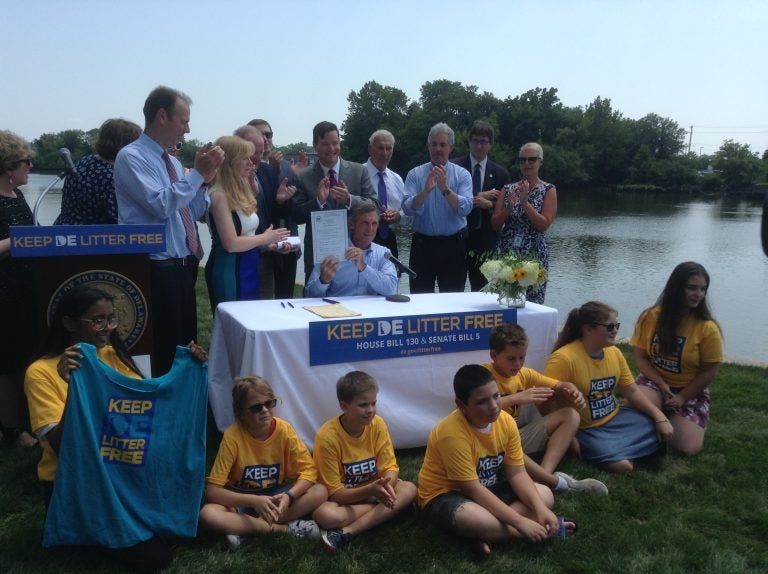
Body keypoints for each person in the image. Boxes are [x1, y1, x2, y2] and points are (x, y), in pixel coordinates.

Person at [24, 285, 207, 572]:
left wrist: (189, 370)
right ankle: (89, 533)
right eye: (97, 320)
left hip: (123, 468)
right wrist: (76, 390)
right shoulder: (41, 372)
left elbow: (143, 409)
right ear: (69, 323)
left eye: (110, 319)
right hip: (78, 480)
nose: (107, 328)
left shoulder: (110, 354)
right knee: (155, 558)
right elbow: (63, 447)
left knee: (194, 510)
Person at [114, 85, 224, 375]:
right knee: (163, 351)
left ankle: (184, 406)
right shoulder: (132, 157)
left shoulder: (173, 161)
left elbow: (192, 211)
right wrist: (197, 174)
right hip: (154, 268)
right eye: (183, 120)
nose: (187, 130)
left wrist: (205, 183)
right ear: (162, 116)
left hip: (183, 266)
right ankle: (160, 409)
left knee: (186, 347)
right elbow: (161, 205)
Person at [418, 365, 573, 559]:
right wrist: (520, 523)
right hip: (447, 494)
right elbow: (472, 489)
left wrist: (540, 509)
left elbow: (517, 472)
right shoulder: (450, 434)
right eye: (482, 401)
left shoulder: (506, 421)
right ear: (461, 405)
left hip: (489, 487)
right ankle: (528, 530)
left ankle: (486, 536)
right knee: (474, 519)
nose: (493, 405)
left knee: (545, 495)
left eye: (496, 396)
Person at [199, 376, 328, 548]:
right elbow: (213, 492)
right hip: (242, 498)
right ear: (241, 413)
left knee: (320, 491)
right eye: (256, 407)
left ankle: (245, 529)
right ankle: (286, 529)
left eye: (270, 403)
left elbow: (310, 471)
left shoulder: (284, 430)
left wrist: (290, 496)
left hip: (277, 496)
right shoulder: (233, 436)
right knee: (208, 514)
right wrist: (253, 501)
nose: (265, 410)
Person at [544, 302, 673, 473]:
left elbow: (631, 390)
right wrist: (567, 435)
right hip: (585, 428)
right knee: (623, 466)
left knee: (657, 426)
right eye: (610, 326)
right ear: (588, 329)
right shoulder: (564, 359)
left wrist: (659, 417)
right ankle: (623, 451)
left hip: (616, 417)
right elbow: (545, 400)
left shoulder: (614, 353)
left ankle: (621, 449)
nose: (615, 330)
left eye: (616, 326)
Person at [484, 324, 608, 495]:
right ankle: (552, 482)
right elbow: (479, 409)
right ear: (494, 355)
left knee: (570, 415)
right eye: (511, 359)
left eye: (522, 357)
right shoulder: (484, 375)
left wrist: (572, 390)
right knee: (508, 446)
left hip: (514, 436)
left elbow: (559, 385)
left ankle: (544, 476)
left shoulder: (524, 374)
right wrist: (516, 398)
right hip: (490, 444)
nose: (518, 364)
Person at [312, 371, 417, 553]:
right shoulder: (327, 437)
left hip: (377, 491)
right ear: (344, 406)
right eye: (363, 405)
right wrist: (374, 494)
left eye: (373, 403)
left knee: (409, 489)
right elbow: (335, 493)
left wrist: (385, 487)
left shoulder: (378, 424)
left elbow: (390, 468)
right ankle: (390, 510)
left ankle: (348, 532)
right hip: (348, 498)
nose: (370, 410)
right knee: (325, 515)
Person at [630, 262, 723, 456]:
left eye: (703, 289)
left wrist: (682, 397)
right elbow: (641, 357)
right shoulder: (650, 317)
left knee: (689, 447)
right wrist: (661, 384)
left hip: (689, 390)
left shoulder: (707, 328)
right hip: (654, 381)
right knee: (638, 410)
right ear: (676, 287)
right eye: (692, 288)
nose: (698, 294)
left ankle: (661, 417)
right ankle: (657, 414)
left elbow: (709, 371)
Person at [204, 135, 290, 310]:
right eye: (244, 158)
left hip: (249, 267)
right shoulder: (218, 194)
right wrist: (265, 238)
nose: (250, 163)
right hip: (230, 271)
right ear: (229, 162)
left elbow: (247, 236)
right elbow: (231, 244)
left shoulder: (240, 190)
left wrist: (271, 245)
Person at [292, 121, 377, 281]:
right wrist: (317, 201)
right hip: (319, 255)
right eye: (325, 144)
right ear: (315, 146)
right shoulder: (303, 177)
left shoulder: (359, 171)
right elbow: (296, 216)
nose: (331, 149)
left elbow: (375, 205)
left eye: (335, 143)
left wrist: (349, 199)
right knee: (315, 301)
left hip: (355, 251)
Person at [402, 122, 473, 293]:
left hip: (453, 246)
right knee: (419, 298)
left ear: (451, 148)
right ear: (428, 146)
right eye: (434, 144)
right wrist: (425, 191)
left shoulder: (462, 175)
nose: (438, 149)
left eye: (442, 144)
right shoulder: (415, 174)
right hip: (422, 245)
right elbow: (407, 208)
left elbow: (466, 208)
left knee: (453, 300)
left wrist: (445, 189)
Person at [0, 130, 38, 447]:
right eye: (26, 161)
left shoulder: (19, 196)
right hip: (4, 288)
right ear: (9, 166)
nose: (30, 167)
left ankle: (28, 420)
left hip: (27, 285)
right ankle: (11, 429)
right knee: (8, 360)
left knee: (27, 352)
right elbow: (16, 241)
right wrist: (19, 242)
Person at [234, 125, 299, 299]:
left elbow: (275, 214)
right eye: (254, 153)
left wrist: (280, 201)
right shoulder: (227, 182)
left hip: (267, 256)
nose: (257, 159)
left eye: (261, 154)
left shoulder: (266, 171)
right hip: (238, 260)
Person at [491, 142, 557, 303]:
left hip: (534, 255)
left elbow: (543, 225)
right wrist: (509, 209)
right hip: (508, 253)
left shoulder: (548, 190)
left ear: (540, 162)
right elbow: (494, 225)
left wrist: (526, 204)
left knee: (533, 303)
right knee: (505, 301)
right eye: (523, 160)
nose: (526, 163)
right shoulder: (507, 189)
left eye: (532, 159)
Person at [451, 121, 510, 291]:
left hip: (486, 241)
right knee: (454, 291)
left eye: (483, 141)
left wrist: (489, 204)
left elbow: (506, 207)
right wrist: (479, 196)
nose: (478, 145)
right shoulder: (454, 167)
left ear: (490, 144)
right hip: (457, 239)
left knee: (484, 293)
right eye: (475, 140)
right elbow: (448, 197)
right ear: (469, 142)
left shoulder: (501, 174)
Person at [54, 119, 142, 225]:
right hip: (93, 238)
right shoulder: (110, 177)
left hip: (63, 233)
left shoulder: (84, 161)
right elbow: (126, 219)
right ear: (126, 146)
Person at [304, 203, 397, 298]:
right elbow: (309, 295)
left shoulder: (383, 253)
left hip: (371, 311)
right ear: (352, 225)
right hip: (338, 310)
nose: (370, 229)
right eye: (365, 223)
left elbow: (392, 290)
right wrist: (322, 281)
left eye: (374, 224)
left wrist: (364, 267)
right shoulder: (331, 252)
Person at [364, 129, 410, 261]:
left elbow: (407, 212)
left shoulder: (397, 179)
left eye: (388, 148)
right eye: (380, 148)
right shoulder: (358, 174)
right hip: (363, 239)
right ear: (370, 149)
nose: (384, 153)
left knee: (391, 279)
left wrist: (398, 216)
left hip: (389, 238)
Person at [247, 118, 308, 185]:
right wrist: (272, 170)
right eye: (259, 136)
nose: (265, 139)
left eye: (268, 135)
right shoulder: (245, 167)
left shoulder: (288, 167)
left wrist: (298, 176)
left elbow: (296, 192)